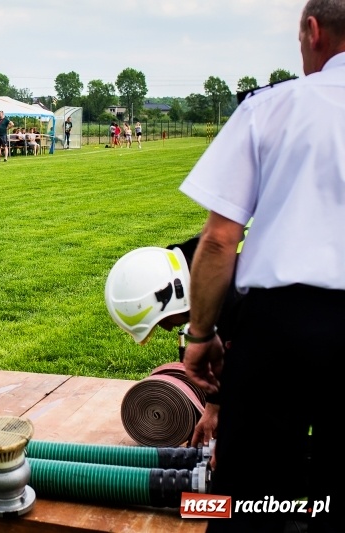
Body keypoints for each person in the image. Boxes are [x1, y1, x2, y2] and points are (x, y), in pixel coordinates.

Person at [180, 2, 345, 530]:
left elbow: (218, 240)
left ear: (313, 32)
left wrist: (200, 333)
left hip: (281, 329)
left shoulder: (271, 106)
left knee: (251, 497)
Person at [105, 238, 244, 447]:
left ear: (171, 296)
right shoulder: (203, 263)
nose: (167, 328)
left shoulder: (233, 299)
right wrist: (214, 406)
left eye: (161, 321)